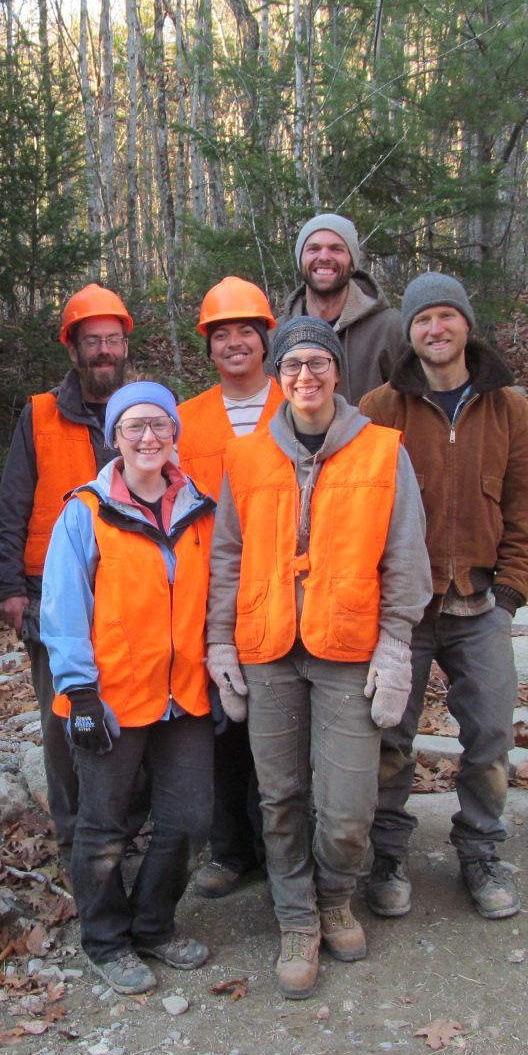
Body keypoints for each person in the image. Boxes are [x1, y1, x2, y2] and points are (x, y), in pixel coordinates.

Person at [206, 316, 431, 1000]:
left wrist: (395, 646)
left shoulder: (382, 452)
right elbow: (226, 559)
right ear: (278, 378)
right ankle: (298, 919)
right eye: (293, 365)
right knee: (279, 798)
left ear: (339, 372)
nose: (306, 376)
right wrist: (220, 642)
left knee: (346, 807)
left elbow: (406, 557)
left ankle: (337, 898)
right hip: (269, 651)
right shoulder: (245, 460)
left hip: (346, 650)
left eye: (318, 363)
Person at [360, 273, 528, 921]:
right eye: (423, 320)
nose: (436, 329)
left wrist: (512, 592)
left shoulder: (506, 407)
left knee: (490, 730)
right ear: (408, 333)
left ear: (466, 324)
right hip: (402, 608)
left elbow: (522, 509)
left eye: (446, 316)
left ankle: (481, 849)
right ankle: (384, 856)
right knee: (389, 736)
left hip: (479, 602)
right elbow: (358, 507)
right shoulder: (381, 406)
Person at [41, 381, 216, 995]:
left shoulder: (200, 505)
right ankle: (106, 940)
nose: (148, 437)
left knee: (190, 819)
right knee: (105, 825)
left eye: (160, 426)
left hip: (185, 696)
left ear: (175, 434)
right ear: (114, 436)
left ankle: (154, 925)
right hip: (110, 698)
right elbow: (62, 608)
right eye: (134, 426)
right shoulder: (84, 511)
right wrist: (79, 694)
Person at [0, 283, 132, 867]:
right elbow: (12, 505)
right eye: (91, 340)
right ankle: (76, 840)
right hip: (51, 599)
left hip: (133, 594)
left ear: (126, 345)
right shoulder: (40, 414)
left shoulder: (148, 411)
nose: (103, 351)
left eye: (112, 340)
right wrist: (8, 588)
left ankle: (126, 828)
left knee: (135, 715)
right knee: (63, 721)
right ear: (72, 349)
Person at [176, 277, 281, 899]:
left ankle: (283, 849)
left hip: (283, 587)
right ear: (208, 346)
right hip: (209, 594)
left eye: (246, 330)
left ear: (266, 338)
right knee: (220, 726)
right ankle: (230, 849)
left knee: (281, 725)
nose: (235, 342)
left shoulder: (298, 402)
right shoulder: (185, 420)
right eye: (222, 334)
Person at [282, 213, 406, 403]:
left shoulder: (390, 329)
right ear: (300, 260)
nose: (324, 256)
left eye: (336, 249)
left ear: (352, 262)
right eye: (313, 249)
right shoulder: (278, 334)